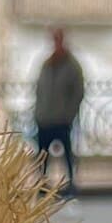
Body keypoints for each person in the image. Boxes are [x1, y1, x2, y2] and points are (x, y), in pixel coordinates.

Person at [34, 27, 87, 195]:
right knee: (42, 155)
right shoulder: (47, 63)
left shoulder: (72, 65)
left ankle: (71, 184)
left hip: (62, 119)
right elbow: (39, 90)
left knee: (67, 155)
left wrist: (69, 114)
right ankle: (42, 185)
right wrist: (38, 112)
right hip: (44, 118)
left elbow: (78, 92)